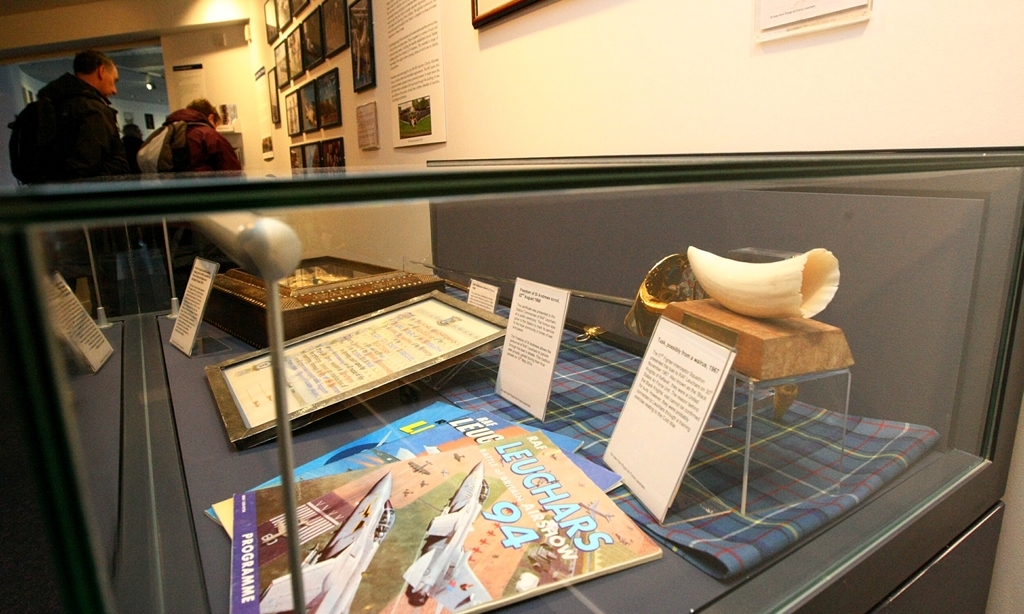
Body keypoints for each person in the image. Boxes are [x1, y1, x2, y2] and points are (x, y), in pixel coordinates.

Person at [36, 49, 130, 179]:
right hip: (91, 194)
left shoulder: (54, 103)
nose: (114, 90)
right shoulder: (92, 109)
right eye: (114, 81)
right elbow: (86, 168)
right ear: (101, 71)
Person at [161, 98, 241, 172]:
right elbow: (232, 173)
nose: (215, 129)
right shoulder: (209, 135)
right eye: (216, 125)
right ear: (211, 118)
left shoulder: (167, 133)